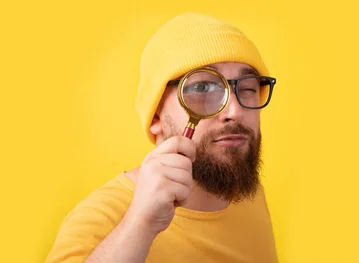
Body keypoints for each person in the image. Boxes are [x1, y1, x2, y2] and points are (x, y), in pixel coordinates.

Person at [45, 12, 279, 263]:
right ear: (155, 116)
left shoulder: (244, 189)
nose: (235, 111)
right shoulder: (101, 218)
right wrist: (141, 224)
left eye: (247, 88)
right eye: (202, 87)